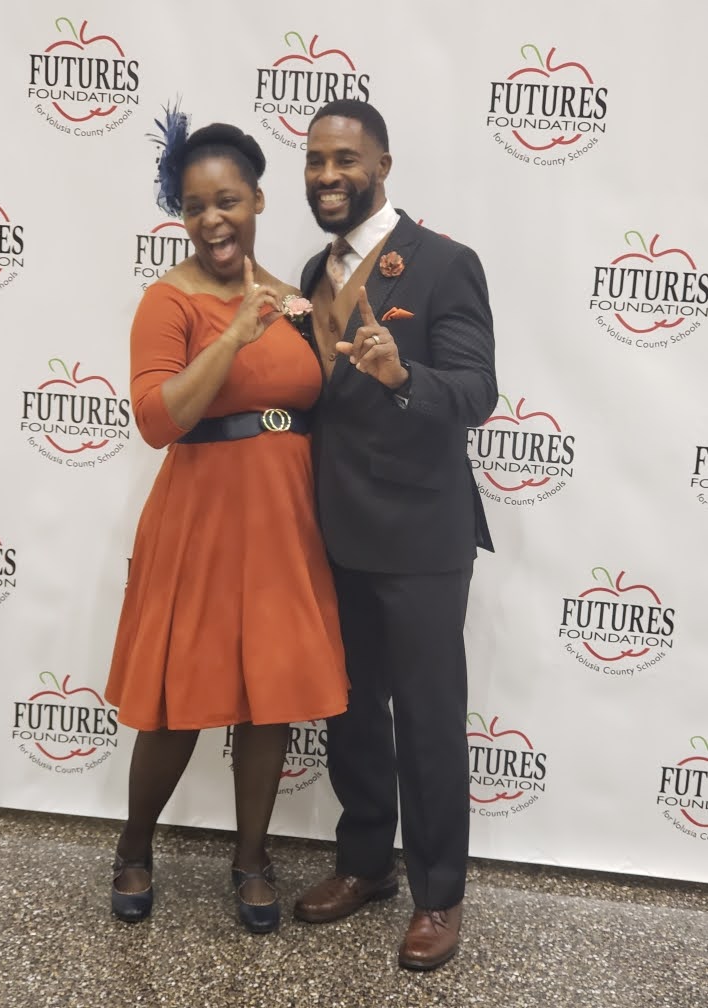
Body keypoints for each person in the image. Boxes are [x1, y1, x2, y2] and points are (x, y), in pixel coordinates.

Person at [104, 119, 348, 934]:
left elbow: (317, 406)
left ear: (257, 201)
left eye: (229, 201)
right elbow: (156, 418)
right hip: (201, 523)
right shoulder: (167, 301)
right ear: (182, 214)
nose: (213, 218)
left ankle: (252, 858)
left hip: (284, 526)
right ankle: (135, 847)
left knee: (267, 699)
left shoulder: (292, 294)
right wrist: (235, 333)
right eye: (196, 205)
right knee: (178, 701)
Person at [293, 100, 497, 971]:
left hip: (420, 534)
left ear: (382, 163)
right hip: (335, 533)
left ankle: (439, 895)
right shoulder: (312, 269)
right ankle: (365, 864)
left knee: (425, 720)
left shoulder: (446, 264)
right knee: (350, 713)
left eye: (345, 159)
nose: (327, 176)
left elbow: (476, 395)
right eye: (314, 161)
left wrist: (402, 373)